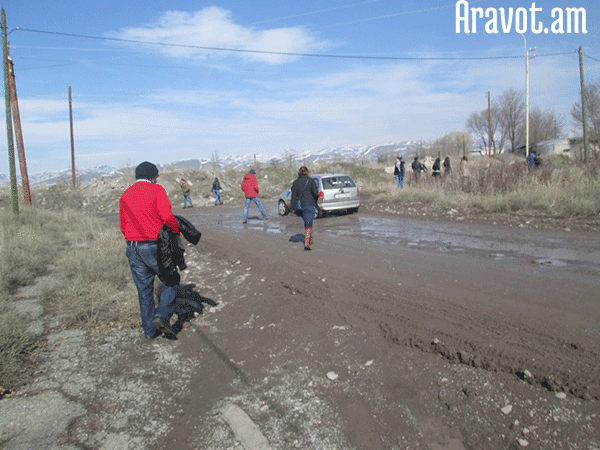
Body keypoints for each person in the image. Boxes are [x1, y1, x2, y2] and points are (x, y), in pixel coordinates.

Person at [119, 162, 179, 339]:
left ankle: (149, 331)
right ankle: (162, 316)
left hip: (132, 247)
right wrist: (175, 233)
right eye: (157, 176)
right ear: (153, 176)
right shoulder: (156, 190)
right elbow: (167, 218)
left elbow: (123, 226)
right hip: (154, 246)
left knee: (144, 291)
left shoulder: (125, 194)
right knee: (172, 279)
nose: (157, 179)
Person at [290, 166, 319, 251]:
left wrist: (293, 207)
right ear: (307, 172)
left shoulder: (295, 183)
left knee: (307, 223)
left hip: (300, 206)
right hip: (309, 204)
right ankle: (307, 243)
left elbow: (293, 196)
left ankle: (309, 238)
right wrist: (315, 201)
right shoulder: (311, 181)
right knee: (309, 224)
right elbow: (316, 193)